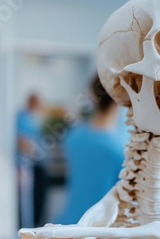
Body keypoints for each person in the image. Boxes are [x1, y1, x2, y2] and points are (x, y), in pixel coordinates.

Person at [56, 76, 126, 224]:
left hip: (69, 224)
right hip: (99, 232)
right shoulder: (119, 151)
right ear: (119, 101)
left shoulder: (74, 137)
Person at [17, 93, 46, 227]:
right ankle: (28, 228)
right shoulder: (23, 118)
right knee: (26, 201)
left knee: (35, 199)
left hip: (35, 164)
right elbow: (22, 143)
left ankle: (34, 225)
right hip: (25, 165)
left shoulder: (36, 119)